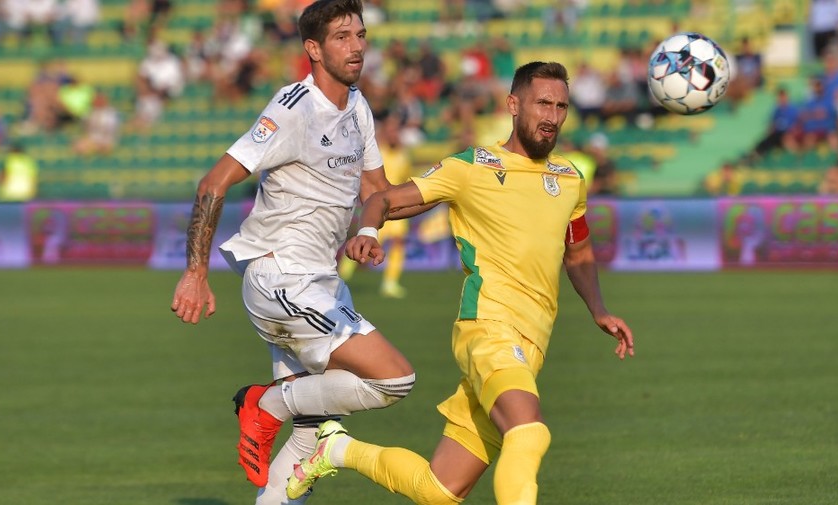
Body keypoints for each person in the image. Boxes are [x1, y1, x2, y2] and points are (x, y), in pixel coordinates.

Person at [286, 61, 635, 505]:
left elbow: (579, 252)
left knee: (440, 491)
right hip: (489, 329)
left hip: (533, 345)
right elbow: (384, 199)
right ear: (513, 105)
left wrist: (598, 309)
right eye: (542, 103)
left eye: (561, 106)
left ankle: (335, 448)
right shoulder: (472, 167)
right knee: (528, 432)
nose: (551, 116)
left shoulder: (570, 179)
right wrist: (369, 230)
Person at [170, 2, 423, 504]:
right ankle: (266, 403)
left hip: (322, 283)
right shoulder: (293, 108)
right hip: (281, 279)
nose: (356, 47)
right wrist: (196, 273)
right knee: (394, 379)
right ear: (314, 49)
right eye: (342, 37)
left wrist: (451, 192)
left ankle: (277, 418)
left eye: (360, 35)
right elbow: (213, 182)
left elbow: (379, 193)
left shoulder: (358, 106)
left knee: (308, 441)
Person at [339, 114, 414, 298]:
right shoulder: (377, 152)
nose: (394, 134)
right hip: (377, 205)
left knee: (398, 242)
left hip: (397, 205)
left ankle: (390, 283)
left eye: (396, 130)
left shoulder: (403, 154)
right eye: (390, 130)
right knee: (364, 243)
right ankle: (342, 276)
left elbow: (406, 178)